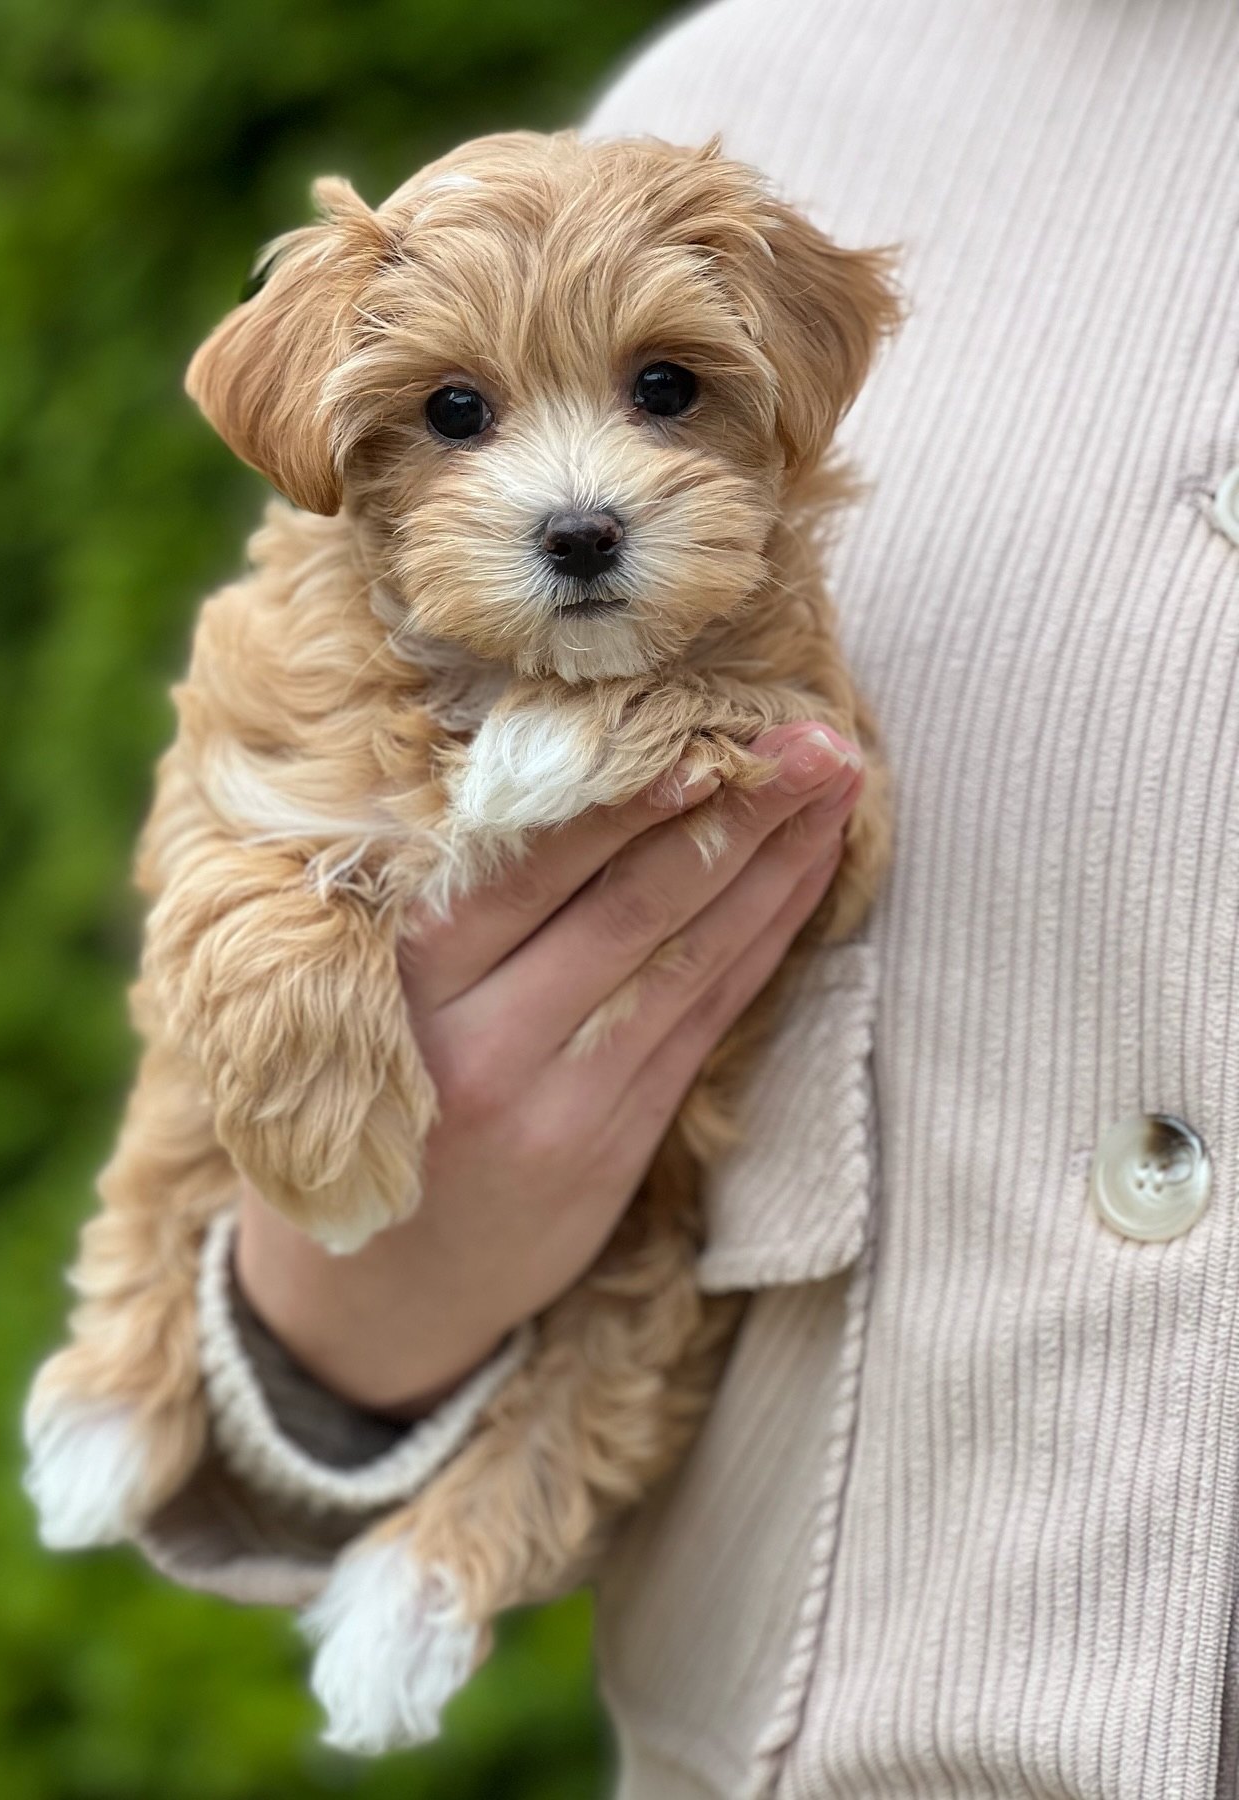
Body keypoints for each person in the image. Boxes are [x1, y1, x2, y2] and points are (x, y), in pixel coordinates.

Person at [141, 0, 1239, 1791]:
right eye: (464, 411)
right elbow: (300, 1256)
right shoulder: (748, 88)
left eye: (667, 392)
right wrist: (363, 1296)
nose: (580, 491)